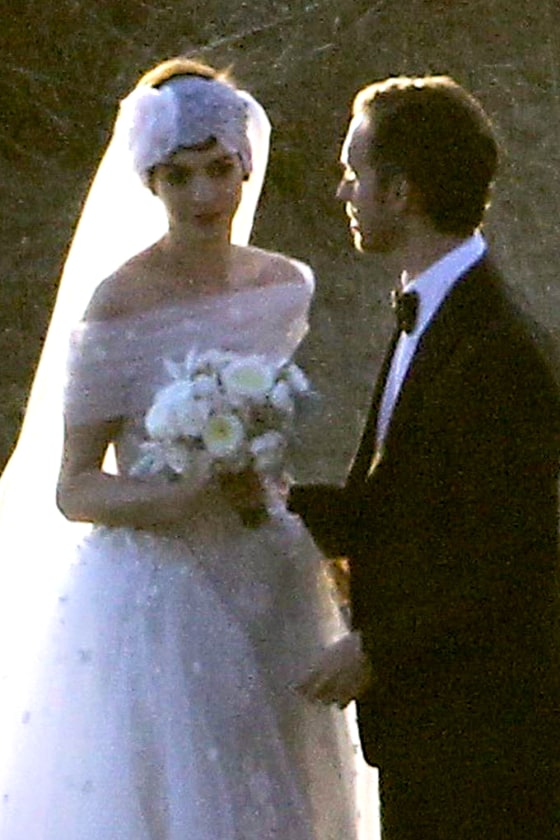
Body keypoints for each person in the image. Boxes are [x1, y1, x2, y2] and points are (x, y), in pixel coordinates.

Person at [0, 57, 373, 838]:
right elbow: (72, 486)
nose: (204, 196)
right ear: (151, 182)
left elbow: (276, 439)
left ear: (245, 167)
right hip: (159, 594)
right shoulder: (117, 302)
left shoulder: (285, 287)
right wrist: (171, 498)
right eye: (179, 176)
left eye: (219, 170)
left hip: (266, 579)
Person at [289, 75, 560, 838]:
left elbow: (516, 561)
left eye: (354, 172)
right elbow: (394, 506)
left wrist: (375, 648)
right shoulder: (435, 312)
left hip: (488, 747)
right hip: (431, 733)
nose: (343, 191)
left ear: (399, 192)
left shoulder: (501, 349)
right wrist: (270, 501)